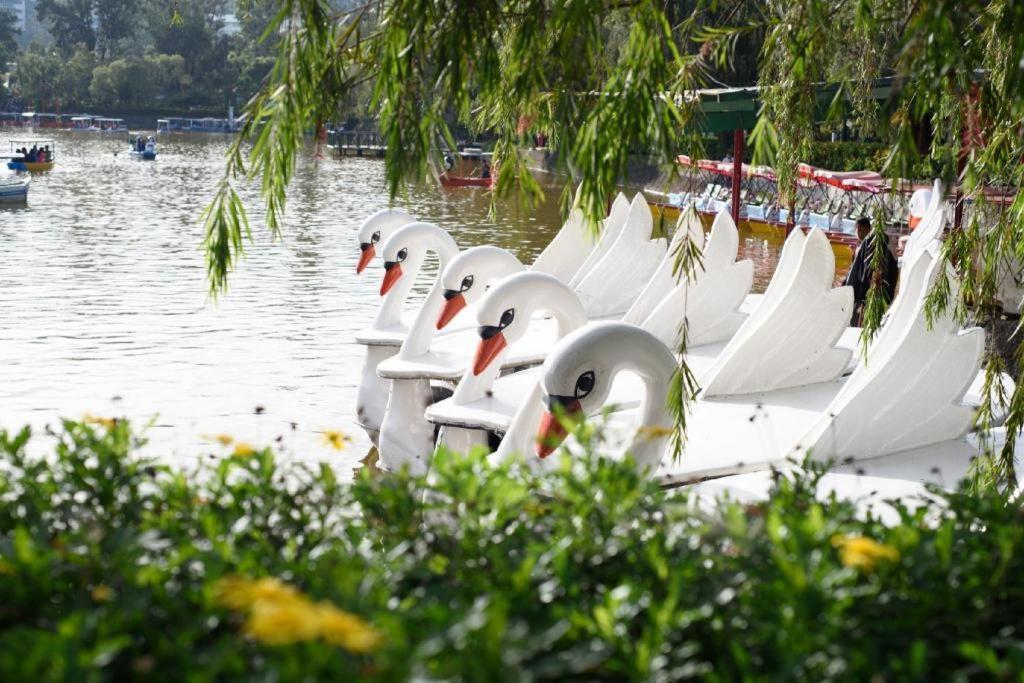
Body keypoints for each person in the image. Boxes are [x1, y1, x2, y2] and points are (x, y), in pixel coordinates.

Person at [843, 217, 899, 325]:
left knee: (865, 318)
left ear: (868, 228)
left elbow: (889, 268)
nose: (859, 233)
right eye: (857, 230)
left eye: (861, 230)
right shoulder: (861, 247)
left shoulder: (874, 244)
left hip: (871, 290)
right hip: (864, 292)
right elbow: (853, 270)